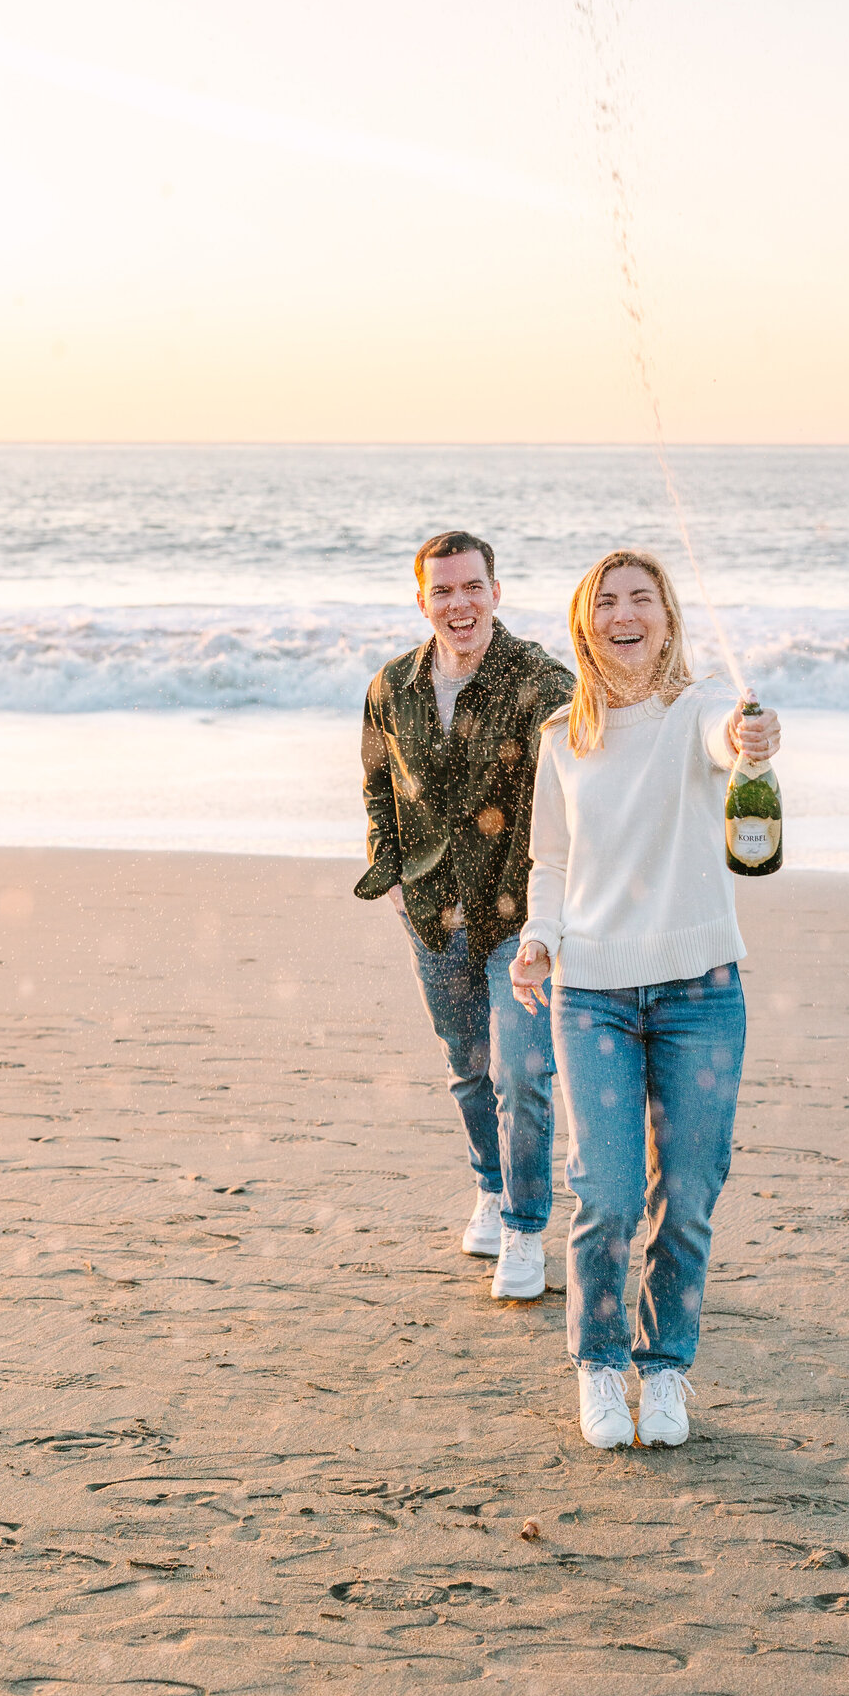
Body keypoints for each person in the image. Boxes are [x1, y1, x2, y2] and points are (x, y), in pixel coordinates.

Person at [509, 549, 780, 1448]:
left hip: (702, 992)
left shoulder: (702, 712)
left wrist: (752, 738)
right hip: (591, 995)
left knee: (691, 1193)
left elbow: (728, 743)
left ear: (666, 616)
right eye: (607, 604)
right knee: (609, 1193)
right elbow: (550, 860)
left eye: (642, 600)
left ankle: (664, 1372)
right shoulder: (563, 735)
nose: (625, 615)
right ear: (587, 625)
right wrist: (537, 939)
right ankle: (598, 1362)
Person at [355, 530, 574, 1299]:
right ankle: (490, 1183)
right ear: (422, 600)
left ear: (496, 592)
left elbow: (593, 767)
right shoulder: (392, 687)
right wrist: (388, 868)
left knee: (522, 1072)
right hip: (430, 909)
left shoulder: (541, 681)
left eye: (471, 587)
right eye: (442, 591)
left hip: (518, 911)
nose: (459, 604)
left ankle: (524, 1226)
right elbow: (378, 786)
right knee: (467, 1067)